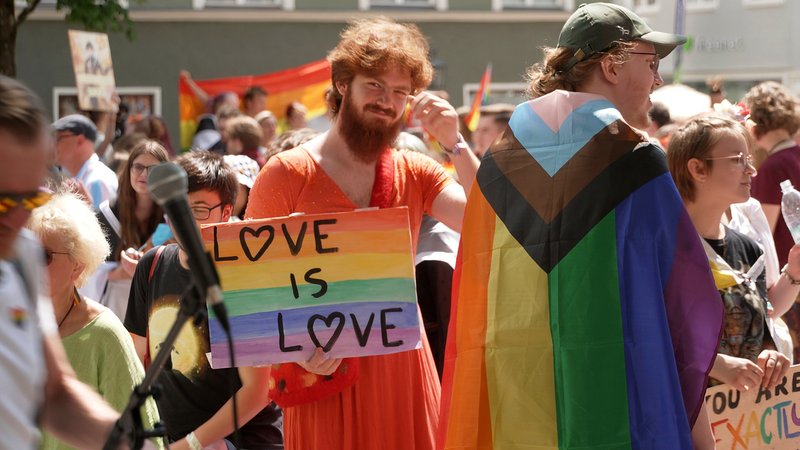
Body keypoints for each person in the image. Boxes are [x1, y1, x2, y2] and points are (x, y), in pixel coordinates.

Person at [439, 4, 723, 450]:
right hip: (620, 407)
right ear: (611, 66)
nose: (658, 80)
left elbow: (473, 309)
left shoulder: (496, 166)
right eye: (651, 64)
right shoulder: (635, 160)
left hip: (514, 408)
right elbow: (683, 307)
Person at [245, 17, 479, 450]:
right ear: (341, 84)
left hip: (403, 374)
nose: (387, 101)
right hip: (321, 374)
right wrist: (296, 348)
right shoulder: (284, 173)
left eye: (400, 92)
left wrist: (456, 144)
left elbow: (486, 223)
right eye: (374, 85)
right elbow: (252, 288)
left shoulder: (416, 169)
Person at [0, 74, 135, 449]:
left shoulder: (23, 255)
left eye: (29, 200)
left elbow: (55, 394)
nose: (17, 220)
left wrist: (130, 443)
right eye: (3, 201)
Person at [125, 151, 282, 450]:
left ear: (225, 212)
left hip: (240, 441)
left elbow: (258, 391)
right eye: (177, 209)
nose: (184, 221)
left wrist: (189, 445)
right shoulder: (152, 265)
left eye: (198, 210)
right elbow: (136, 362)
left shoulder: (245, 275)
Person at [667, 114, 795, 393]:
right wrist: (716, 364)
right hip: (682, 419)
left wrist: (769, 355)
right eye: (738, 159)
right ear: (698, 169)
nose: (752, 170)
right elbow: (646, 334)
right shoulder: (661, 249)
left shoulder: (748, 248)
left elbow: (761, 327)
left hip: (742, 421)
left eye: (749, 158)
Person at [29, 192, 163, 450]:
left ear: (77, 266)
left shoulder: (105, 333)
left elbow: (139, 430)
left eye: (43, 255)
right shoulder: (16, 324)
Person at [85, 140, 169, 321]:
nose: (144, 174)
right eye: (138, 167)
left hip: (158, 306)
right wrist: (122, 271)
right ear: (129, 169)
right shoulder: (106, 215)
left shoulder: (170, 217)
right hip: (118, 307)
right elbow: (89, 270)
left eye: (153, 169)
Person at [52, 113, 118, 210]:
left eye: (59, 139)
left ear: (80, 141)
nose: (53, 145)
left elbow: (102, 225)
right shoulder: (85, 177)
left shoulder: (97, 181)